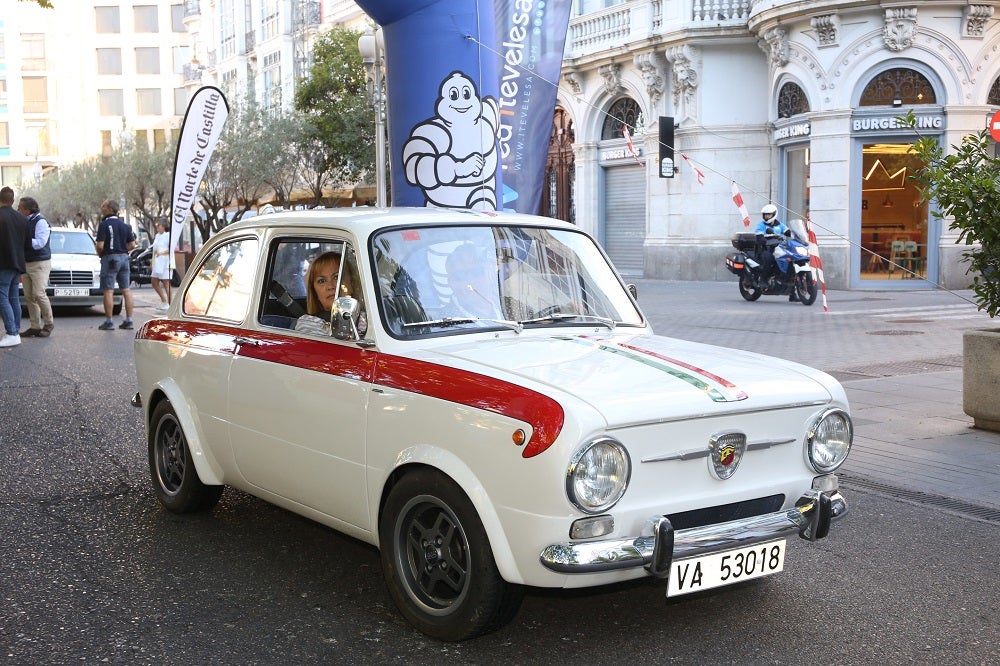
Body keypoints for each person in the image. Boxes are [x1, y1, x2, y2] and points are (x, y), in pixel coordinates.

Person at [94, 199, 136, 330]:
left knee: (108, 290)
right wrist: (122, 251)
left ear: (110, 209)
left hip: (110, 258)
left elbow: (100, 245)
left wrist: (101, 253)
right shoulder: (125, 225)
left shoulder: (104, 225)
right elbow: (132, 245)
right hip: (124, 258)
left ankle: (109, 321)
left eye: (104, 206)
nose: (102, 207)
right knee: (126, 290)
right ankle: (129, 320)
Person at [18, 196, 54, 337]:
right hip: (26, 263)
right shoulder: (25, 221)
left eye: (20, 208)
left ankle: (48, 323)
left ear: (27, 210)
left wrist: (22, 240)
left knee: (39, 294)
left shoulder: (41, 222)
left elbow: (40, 243)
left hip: (39, 263)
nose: (18, 210)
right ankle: (35, 326)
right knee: (29, 296)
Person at [0, 186, 28, 348]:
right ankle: (15, 331)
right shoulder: (22, 219)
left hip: (3, 263)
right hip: (17, 264)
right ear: (13, 200)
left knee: (2, 297)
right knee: (13, 297)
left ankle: (11, 332)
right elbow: (25, 244)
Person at [445, 243, 502, 318]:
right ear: (451, 283)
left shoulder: (511, 306)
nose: (470, 280)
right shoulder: (444, 323)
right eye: (460, 276)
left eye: (476, 272)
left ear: (490, 273)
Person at [294, 251, 345, 335]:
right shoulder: (309, 324)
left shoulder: (370, 316)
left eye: (337, 277)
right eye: (322, 281)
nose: (330, 286)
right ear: (314, 292)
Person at [149, 219, 172, 311]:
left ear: (164, 226)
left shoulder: (168, 235)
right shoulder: (157, 236)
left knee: (166, 282)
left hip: (165, 261)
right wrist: (152, 261)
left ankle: (170, 304)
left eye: (159, 226)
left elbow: (171, 248)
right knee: (154, 281)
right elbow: (154, 249)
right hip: (157, 261)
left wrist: (161, 253)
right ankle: (163, 300)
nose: (157, 227)